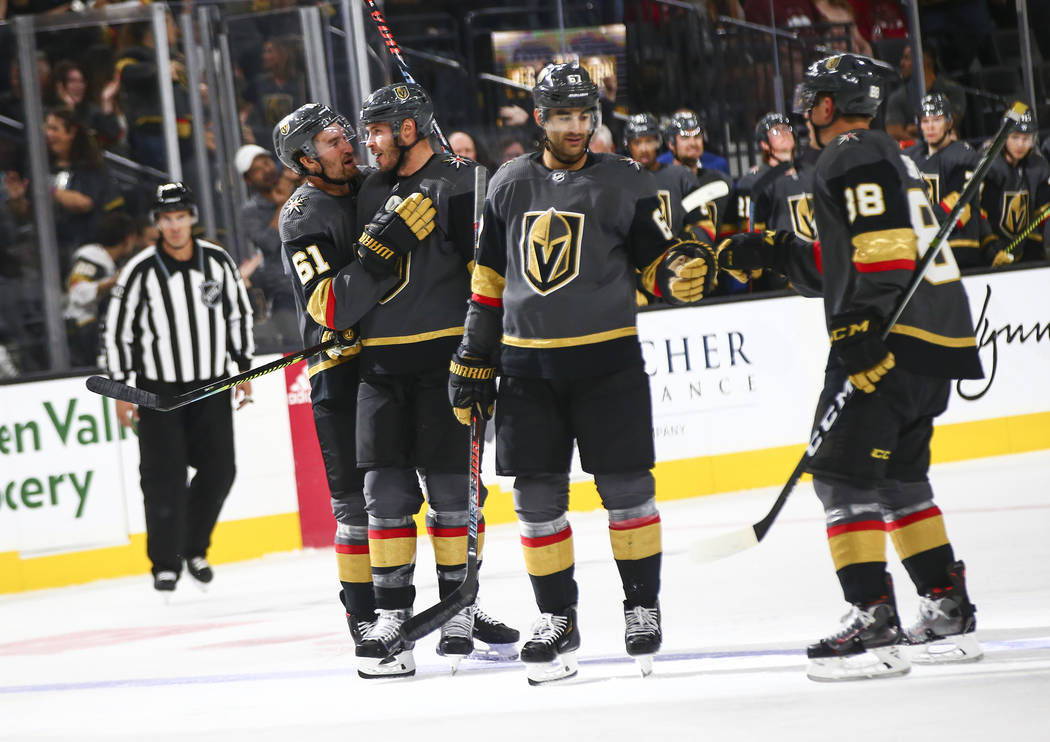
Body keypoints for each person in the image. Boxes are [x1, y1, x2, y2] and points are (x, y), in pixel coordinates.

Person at [717, 53, 984, 681]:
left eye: (812, 99)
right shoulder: (888, 155)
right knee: (899, 481)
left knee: (840, 479)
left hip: (886, 336)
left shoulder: (849, 152)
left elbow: (883, 252)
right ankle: (946, 607)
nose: (806, 111)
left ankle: (872, 620)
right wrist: (778, 253)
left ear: (829, 105)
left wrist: (861, 330)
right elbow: (858, 253)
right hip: (928, 339)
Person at [449, 62, 715, 685]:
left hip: (607, 363)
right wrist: (472, 355)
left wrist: (677, 276)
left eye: (584, 114)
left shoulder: (626, 180)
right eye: (563, 115)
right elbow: (487, 285)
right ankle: (556, 617)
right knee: (537, 502)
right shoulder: (508, 183)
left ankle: (641, 606)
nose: (577, 126)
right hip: (526, 369)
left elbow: (656, 265)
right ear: (540, 118)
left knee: (626, 492)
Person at [345, 84, 518, 677]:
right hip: (379, 367)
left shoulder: (468, 182)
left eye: (377, 130)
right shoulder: (366, 188)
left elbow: (489, 277)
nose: (366, 142)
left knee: (453, 498)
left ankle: (457, 611)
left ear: (411, 129)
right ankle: (393, 614)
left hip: (447, 364)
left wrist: (485, 355)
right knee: (384, 500)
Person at [102, 182, 254, 594]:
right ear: (158, 223)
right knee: (162, 477)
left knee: (220, 471)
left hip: (211, 386)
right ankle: (164, 563)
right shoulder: (140, 270)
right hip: (159, 394)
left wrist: (242, 372)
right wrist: (120, 388)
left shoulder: (218, 262)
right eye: (166, 219)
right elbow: (118, 331)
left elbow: (238, 315)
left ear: (191, 218)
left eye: (180, 217)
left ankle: (194, 548)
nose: (174, 226)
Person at [273, 102, 384, 658]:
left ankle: (458, 605)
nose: (348, 146)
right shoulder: (299, 215)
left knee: (439, 491)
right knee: (355, 507)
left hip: (395, 362)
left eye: (346, 136)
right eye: (333, 140)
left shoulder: (376, 185)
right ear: (304, 160)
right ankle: (364, 615)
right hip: (338, 372)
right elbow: (330, 305)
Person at [904, 93, 991, 268]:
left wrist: (922, 222)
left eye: (936, 120)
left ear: (949, 123)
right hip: (924, 248)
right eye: (925, 121)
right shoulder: (912, 157)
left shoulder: (963, 156)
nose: (930, 127)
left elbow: (960, 206)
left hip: (958, 248)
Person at [735, 112, 814, 291]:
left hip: (819, 265)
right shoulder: (755, 182)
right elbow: (752, 233)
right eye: (776, 131)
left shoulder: (812, 173)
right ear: (764, 143)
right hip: (783, 277)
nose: (785, 132)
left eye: (787, 128)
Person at [235, 143, 298, 345]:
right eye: (257, 169)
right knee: (297, 345)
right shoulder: (250, 211)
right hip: (285, 290)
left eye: (267, 162)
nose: (266, 170)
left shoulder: (299, 185)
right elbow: (270, 243)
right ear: (247, 179)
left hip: (320, 276)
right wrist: (284, 204)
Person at [63, 211, 137, 367]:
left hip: (98, 332)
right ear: (128, 238)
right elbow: (77, 292)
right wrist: (115, 281)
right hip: (82, 332)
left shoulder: (111, 262)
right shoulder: (91, 257)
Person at [980, 107, 1050, 266]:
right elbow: (980, 214)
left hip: (1027, 253)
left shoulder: (1038, 167)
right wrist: (990, 249)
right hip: (990, 254)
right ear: (1004, 137)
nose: (1020, 144)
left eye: (1026, 138)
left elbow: (1044, 213)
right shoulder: (988, 165)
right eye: (1015, 137)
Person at [664, 110, 733, 244]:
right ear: (671, 144)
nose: (692, 143)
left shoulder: (720, 179)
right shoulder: (662, 181)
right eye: (685, 137)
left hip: (712, 258)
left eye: (697, 137)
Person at [884, 45, 967, 144]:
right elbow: (894, 133)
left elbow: (950, 124)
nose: (901, 63)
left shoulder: (952, 90)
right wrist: (923, 146)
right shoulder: (897, 97)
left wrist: (912, 129)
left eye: (907, 58)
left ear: (924, 61)